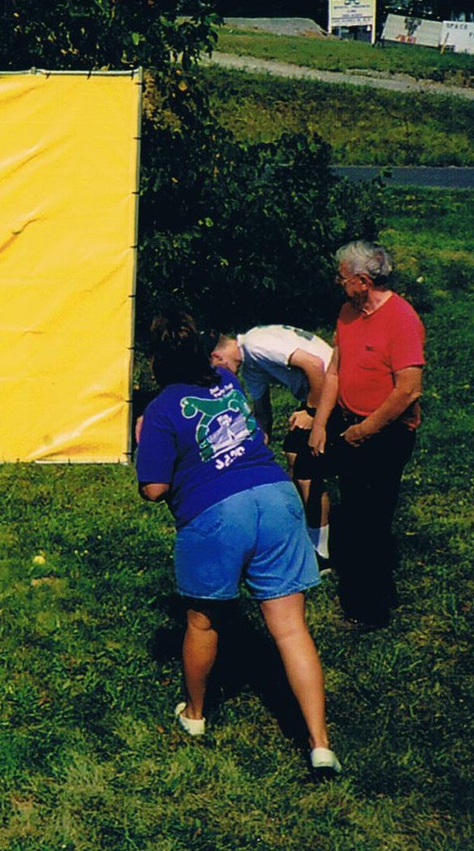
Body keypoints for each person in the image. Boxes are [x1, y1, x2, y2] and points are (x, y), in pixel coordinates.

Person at [136, 312, 341, 778]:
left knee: (203, 621)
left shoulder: (162, 409)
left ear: (156, 363)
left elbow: (153, 489)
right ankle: (320, 744)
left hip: (217, 515)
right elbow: (256, 431)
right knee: (290, 629)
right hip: (275, 496)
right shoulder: (228, 381)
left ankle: (195, 715)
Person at [308, 241, 425, 630]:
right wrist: (322, 423)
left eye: (342, 277)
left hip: (386, 434)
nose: (338, 283)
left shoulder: (402, 319)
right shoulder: (348, 312)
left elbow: (408, 389)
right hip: (351, 425)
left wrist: (364, 430)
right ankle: (374, 589)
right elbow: (335, 371)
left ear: (362, 280)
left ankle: (368, 610)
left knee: (367, 521)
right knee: (357, 511)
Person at [211, 325, 335, 562]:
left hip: (333, 389)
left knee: (305, 471)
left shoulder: (256, 345)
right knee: (293, 455)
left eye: (214, 368)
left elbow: (315, 365)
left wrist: (311, 412)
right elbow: (262, 410)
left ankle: (321, 553)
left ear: (217, 357)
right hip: (321, 392)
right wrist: (259, 442)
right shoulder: (250, 362)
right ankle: (305, 535)